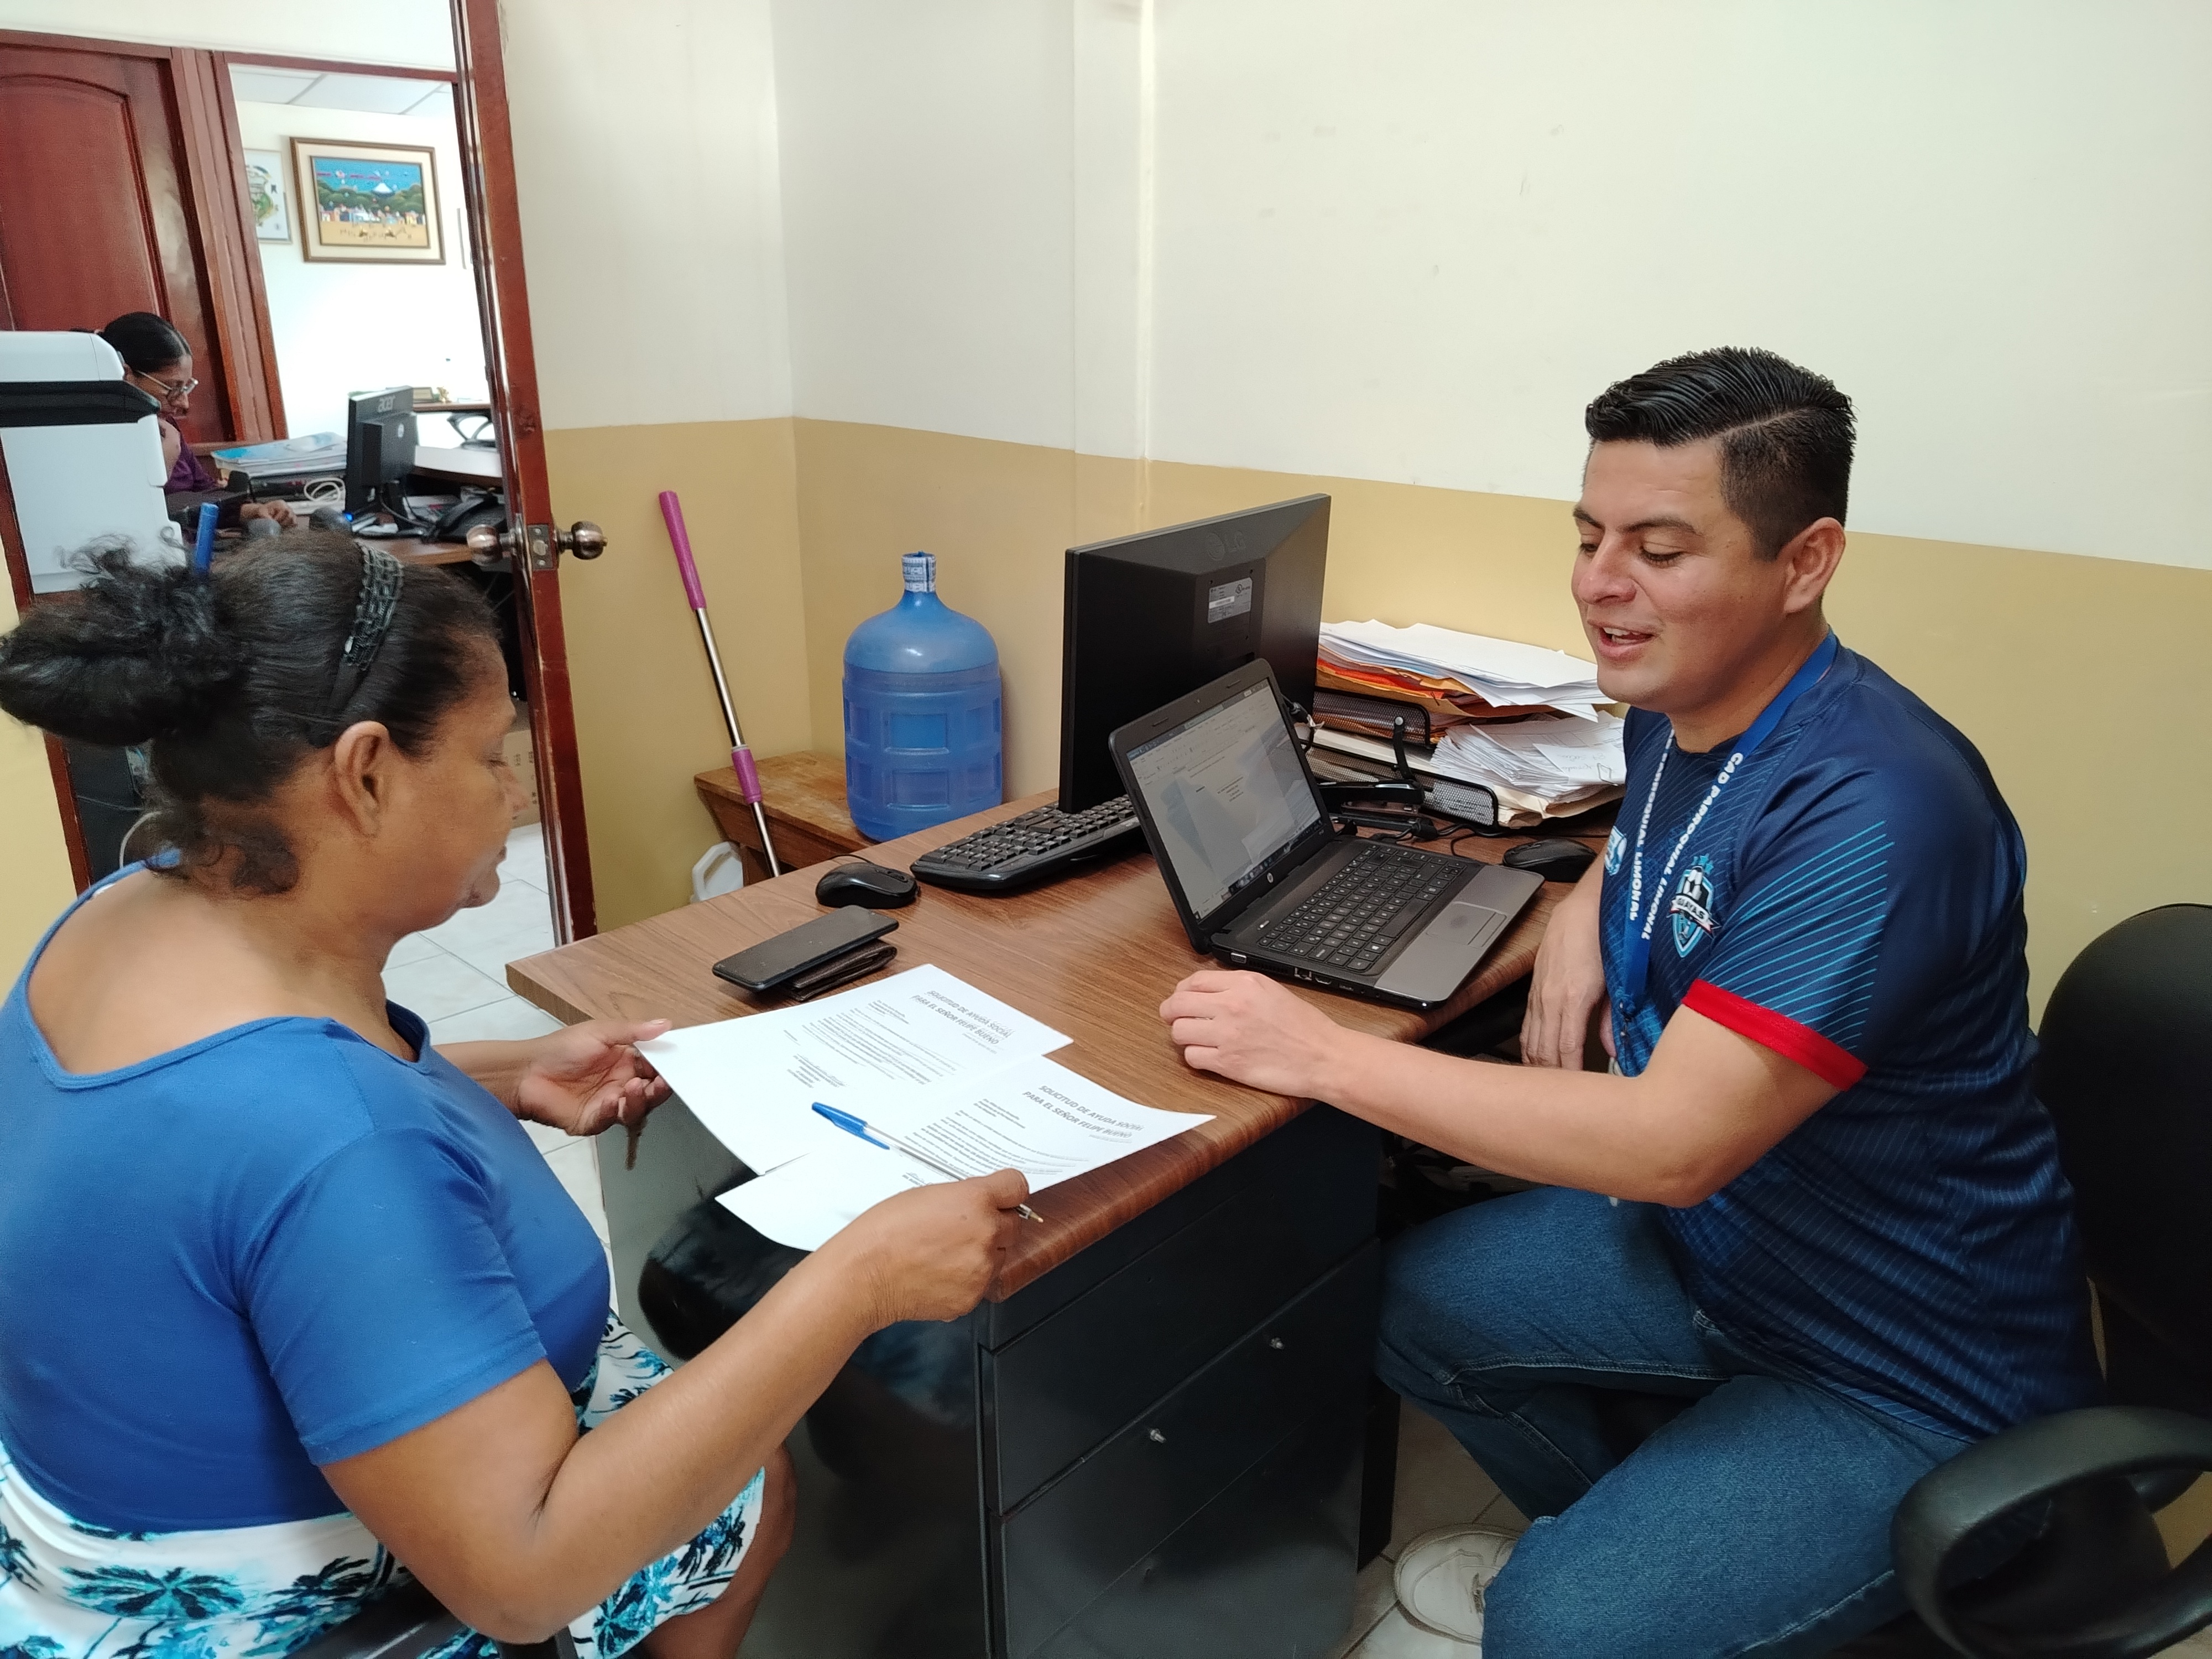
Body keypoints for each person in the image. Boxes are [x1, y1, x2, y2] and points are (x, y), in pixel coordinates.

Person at [1157, 348, 2100, 1657]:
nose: (1600, 584)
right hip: (1740, 1256)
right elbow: (1680, 836)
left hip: (1906, 1367)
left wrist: (1320, 1055)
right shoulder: (1680, 703)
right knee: (1417, 1302)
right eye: (1589, 536)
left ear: (1804, 562)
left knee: (1552, 1628)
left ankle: (1628, 1600)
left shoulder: (1883, 810)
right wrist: (1585, 908)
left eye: (1657, 550)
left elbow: (1670, 1146)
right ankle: (1648, 1562)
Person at [0, 534, 1032, 1659]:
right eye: (491, 755)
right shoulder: (339, 1141)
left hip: (83, 1533)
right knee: (748, 1477)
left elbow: (214, 1145)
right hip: (282, 1597)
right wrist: (862, 1279)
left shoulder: (126, 906)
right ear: (365, 774)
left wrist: (496, 1077)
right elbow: (522, 1577)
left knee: (742, 1457)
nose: (517, 789)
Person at [97, 311, 295, 529]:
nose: (184, 403)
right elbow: (124, 522)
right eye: (172, 388)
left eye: (185, 388)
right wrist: (162, 467)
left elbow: (204, 496)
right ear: (126, 376)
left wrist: (255, 511)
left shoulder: (165, 427)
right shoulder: (98, 443)